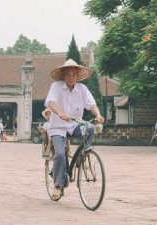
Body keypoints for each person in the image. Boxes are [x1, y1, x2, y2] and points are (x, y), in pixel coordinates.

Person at [44, 59, 104, 200]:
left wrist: (98, 115)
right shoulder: (56, 86)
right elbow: (50, 102)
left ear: (77, 75)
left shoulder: (82, 89)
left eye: (74, 74)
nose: (71, 77)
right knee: (60, 154)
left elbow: (92, 104)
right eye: (68, 74)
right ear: (64, 74)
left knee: (90, 128)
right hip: (58, 127)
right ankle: (58, 185)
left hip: (75, 124)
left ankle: (81, 156)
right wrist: (59, 113)